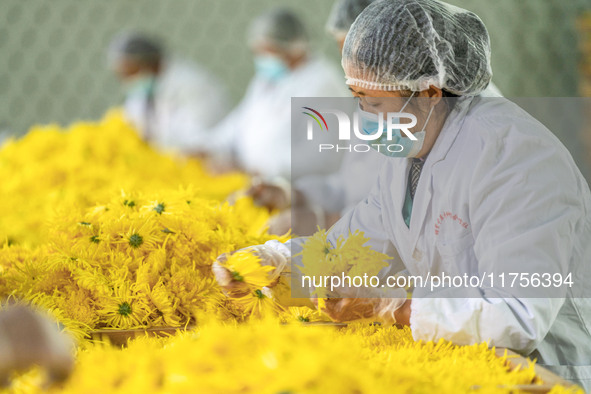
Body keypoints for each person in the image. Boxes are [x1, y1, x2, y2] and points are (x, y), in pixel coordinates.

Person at [214, 0, 591, 389]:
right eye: (357, 96)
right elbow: (359, 244)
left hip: (549, 370)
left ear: (428, 92)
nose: (362, 113)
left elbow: (518, 314)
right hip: (463, 356)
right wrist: (278, 261)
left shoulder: (514, 157)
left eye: (374, 101)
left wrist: (394, 308)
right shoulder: (410, 151)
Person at [207, 8, 346, 184]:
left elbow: (322, 157)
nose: (262, 58)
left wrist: (260, 171)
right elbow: (239, 123)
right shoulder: (265, 80)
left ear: (294, 48)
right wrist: (207, 147)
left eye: (268, 51)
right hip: (255, 182)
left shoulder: (323, 85)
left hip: (299, 194)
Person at [108, 32, 229, 155]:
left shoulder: (194, 85)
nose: (127, 81)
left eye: (130, 73)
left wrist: (153, 140)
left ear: (150, 63)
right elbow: (134, 124)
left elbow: (200, 139)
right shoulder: (142, 90)